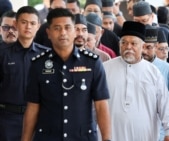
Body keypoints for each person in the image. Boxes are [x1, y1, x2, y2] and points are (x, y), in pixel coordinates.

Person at [21, 8, 111, 141]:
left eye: (67, 27)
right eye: (57, 28)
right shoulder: (38, 64)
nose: (63, 32)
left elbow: (101, 105)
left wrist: (106, 138)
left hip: (82, 137)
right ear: (48, 33)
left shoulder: (92, 63)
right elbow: (33, 107)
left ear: (74, 31)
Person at [103, 21, 169, 141]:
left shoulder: (153, 73)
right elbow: (94, 106)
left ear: (142, 46)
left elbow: (166, 107)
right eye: (124, 42)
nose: (128, 47)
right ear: (119, 45)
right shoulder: (105, 69)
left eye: (133, 43)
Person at [0, 6, 50, 141]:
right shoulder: (3, 54)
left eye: (33, 23)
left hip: (39, 119)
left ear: (38, 26)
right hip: (7, 119)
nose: (28, 27)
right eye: (24, 22)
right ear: (15, 24)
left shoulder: (47, 55)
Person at [142, 25, 169, 140]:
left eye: (148, 47)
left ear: (155, 47)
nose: (144, 51)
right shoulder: (131, 68)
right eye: (142, 47)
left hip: (160, 130)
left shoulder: (167, 70)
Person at [133, 1, 169, 92]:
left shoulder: (162, 32)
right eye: (137, 21)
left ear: (152, 17)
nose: (141, 25)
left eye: (144, 21)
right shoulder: (131, 37)